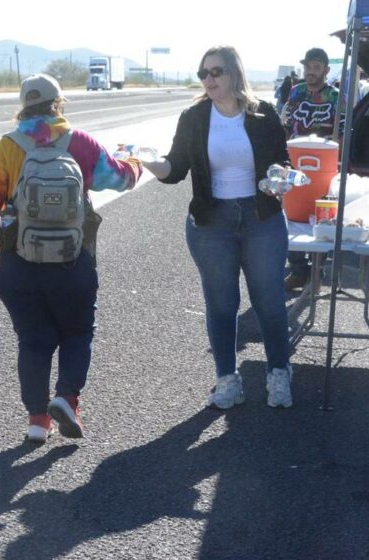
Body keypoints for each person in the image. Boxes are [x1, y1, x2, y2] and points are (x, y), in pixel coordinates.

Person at [0, 74, 143, 443]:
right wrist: (134, 161)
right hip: (71, 262)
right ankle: (66, 397)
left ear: (22, 106)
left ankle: (37, 422)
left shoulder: (6, 147)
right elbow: (121, 179)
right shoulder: (79, 142)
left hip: (18, 265)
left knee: (33, 339)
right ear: (59, 104)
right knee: (77, 332)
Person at [139, 45, 293, 409]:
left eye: (216, 72)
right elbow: (175, 169)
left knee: (269, 301)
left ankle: (279, 374)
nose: (208, 79)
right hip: (212, 222)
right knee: (222, 304)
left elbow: (281, 162)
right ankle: (227, 381)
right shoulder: (194, 117)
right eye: (203, 73)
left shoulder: (263, 114)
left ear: (234, 73)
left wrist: (282, 178)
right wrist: (149, 162)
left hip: (262, 218)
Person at [281, 48, 340, 291]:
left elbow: (343, 129)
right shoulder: (296, 91)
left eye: (316, 67)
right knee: (293, 215)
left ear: (326, 70)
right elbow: (285, 121)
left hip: (323, 164)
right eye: (308, 67)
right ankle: (298, 270)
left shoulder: (335, 95)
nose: (311, 72)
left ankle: (317, 272)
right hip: (295, 159)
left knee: (321, 215)